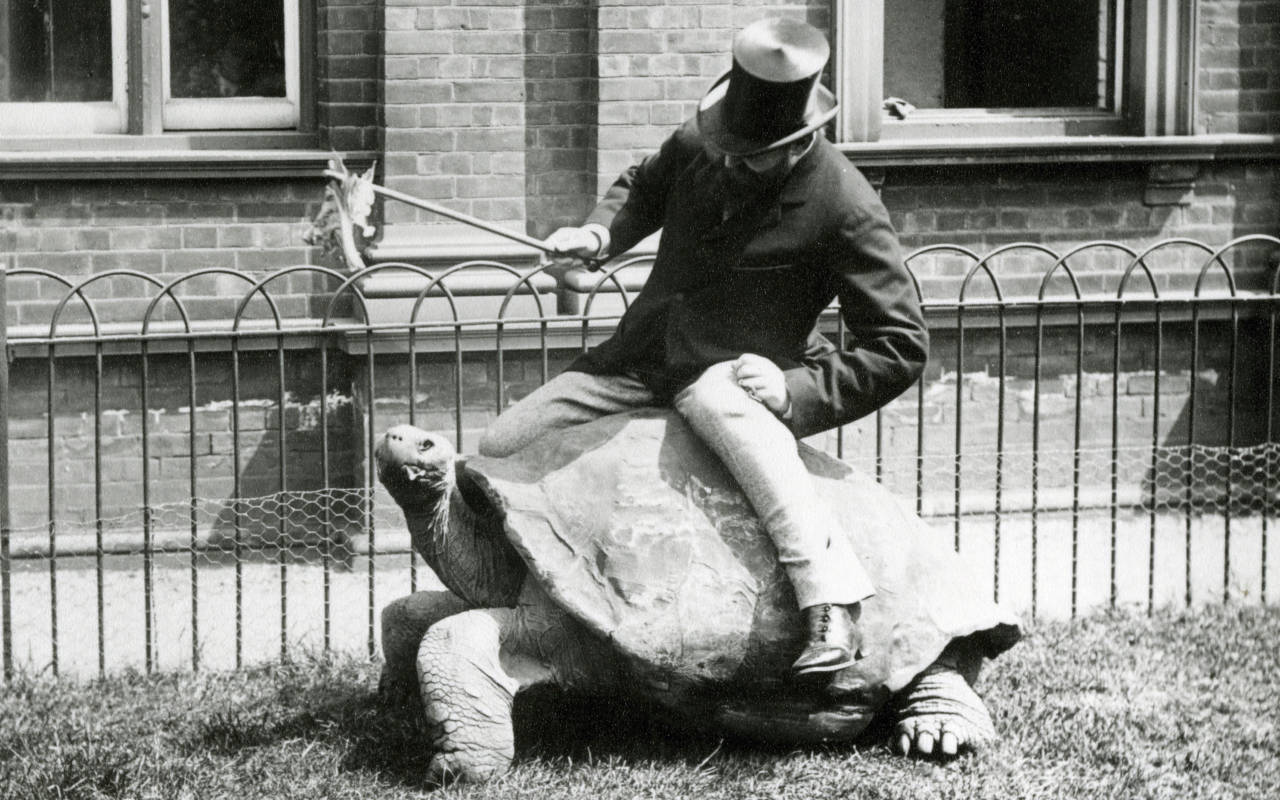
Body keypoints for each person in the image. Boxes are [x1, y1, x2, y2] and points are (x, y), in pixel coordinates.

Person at [479, 17, 928, 677]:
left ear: (800, 139)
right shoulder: (706, 142)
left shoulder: (845, 205)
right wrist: (599, 236)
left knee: (732, 408)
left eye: (751, 155)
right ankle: (519, 602)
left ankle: (830, 603)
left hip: (736, 374)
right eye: (726, 146)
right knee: (500, 447)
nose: (729, 160)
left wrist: (797, 390)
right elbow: (643, 184)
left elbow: (899, 343)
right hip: (640, 357)